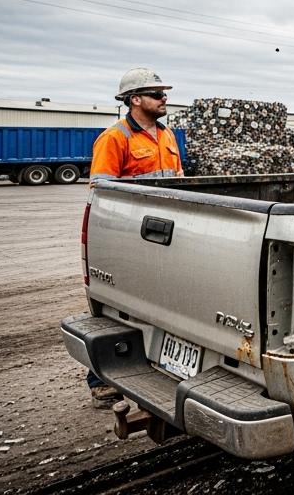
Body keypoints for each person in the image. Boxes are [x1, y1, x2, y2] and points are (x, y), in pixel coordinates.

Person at [82, 67, 183, 407]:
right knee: (119, 307)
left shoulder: (167, 136)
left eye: (164, 93)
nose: (164, 98)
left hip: (166, 233)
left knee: (164, 303)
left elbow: (178, 185)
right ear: (135, 100)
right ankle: (100, 379)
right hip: (129, 235)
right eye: (157, 94)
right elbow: (101, 192)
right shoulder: (115, 138)